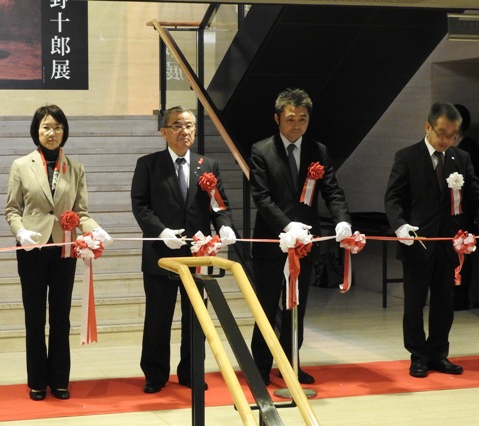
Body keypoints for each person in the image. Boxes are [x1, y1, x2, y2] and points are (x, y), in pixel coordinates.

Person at [5, 104, 110, 401]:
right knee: (35, 317)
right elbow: (12, 210)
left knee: (61, 316)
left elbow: (81, 211)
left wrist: (95, 230)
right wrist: (20, 231)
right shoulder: (21, 165)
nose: (52, 133)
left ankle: (60, 380)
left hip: (66, 249)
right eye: (46, 127)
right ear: (36, 131)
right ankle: (37, 381)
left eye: (57, 127)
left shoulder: (75, 168)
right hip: (32, 249)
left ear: (65, 131)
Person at [249, 88, 351, 386]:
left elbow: (332, 190)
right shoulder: (261, 150)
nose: (296, 125)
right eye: (291, 119)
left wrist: (342, 220)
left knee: (297, 306)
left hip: (306, 244)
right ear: (277, 118)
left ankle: (291, 363)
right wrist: (287, 226)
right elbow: (262, 197)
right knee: (267, 305)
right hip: (272, 241)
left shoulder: (317, 151)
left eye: (303, 119)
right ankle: (260, 366)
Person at [130, 106, 236, 394]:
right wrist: (161, 232)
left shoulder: (207, 165)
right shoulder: (148, 165)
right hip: (161, 257)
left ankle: (191, 372)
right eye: (177, 125)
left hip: (196, 257)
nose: (184, 131)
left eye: (189, 126)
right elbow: (140, 206)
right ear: (164, 132)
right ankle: (155, 374)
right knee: (157, 319)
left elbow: (219, 204)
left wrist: (224, 225)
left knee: (195, 319)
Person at [385, 102, 479, 378]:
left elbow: (473, 195)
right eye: (441, 133)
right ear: (427, 127)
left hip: (450, 243)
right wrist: (400, 226)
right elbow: (393, 198)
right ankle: (418, 355)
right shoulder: (407, 157)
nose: (446, 140)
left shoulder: (460, 159)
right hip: (418, 242)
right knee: (414, 302)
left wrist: (471, 229)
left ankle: (439, 353)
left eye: (452, 135)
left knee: (444, 302)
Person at [454, 104, 479, 309]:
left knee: (463, 253)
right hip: (448, 211)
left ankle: (461, 298)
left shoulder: (468, 147)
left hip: (465, 211)